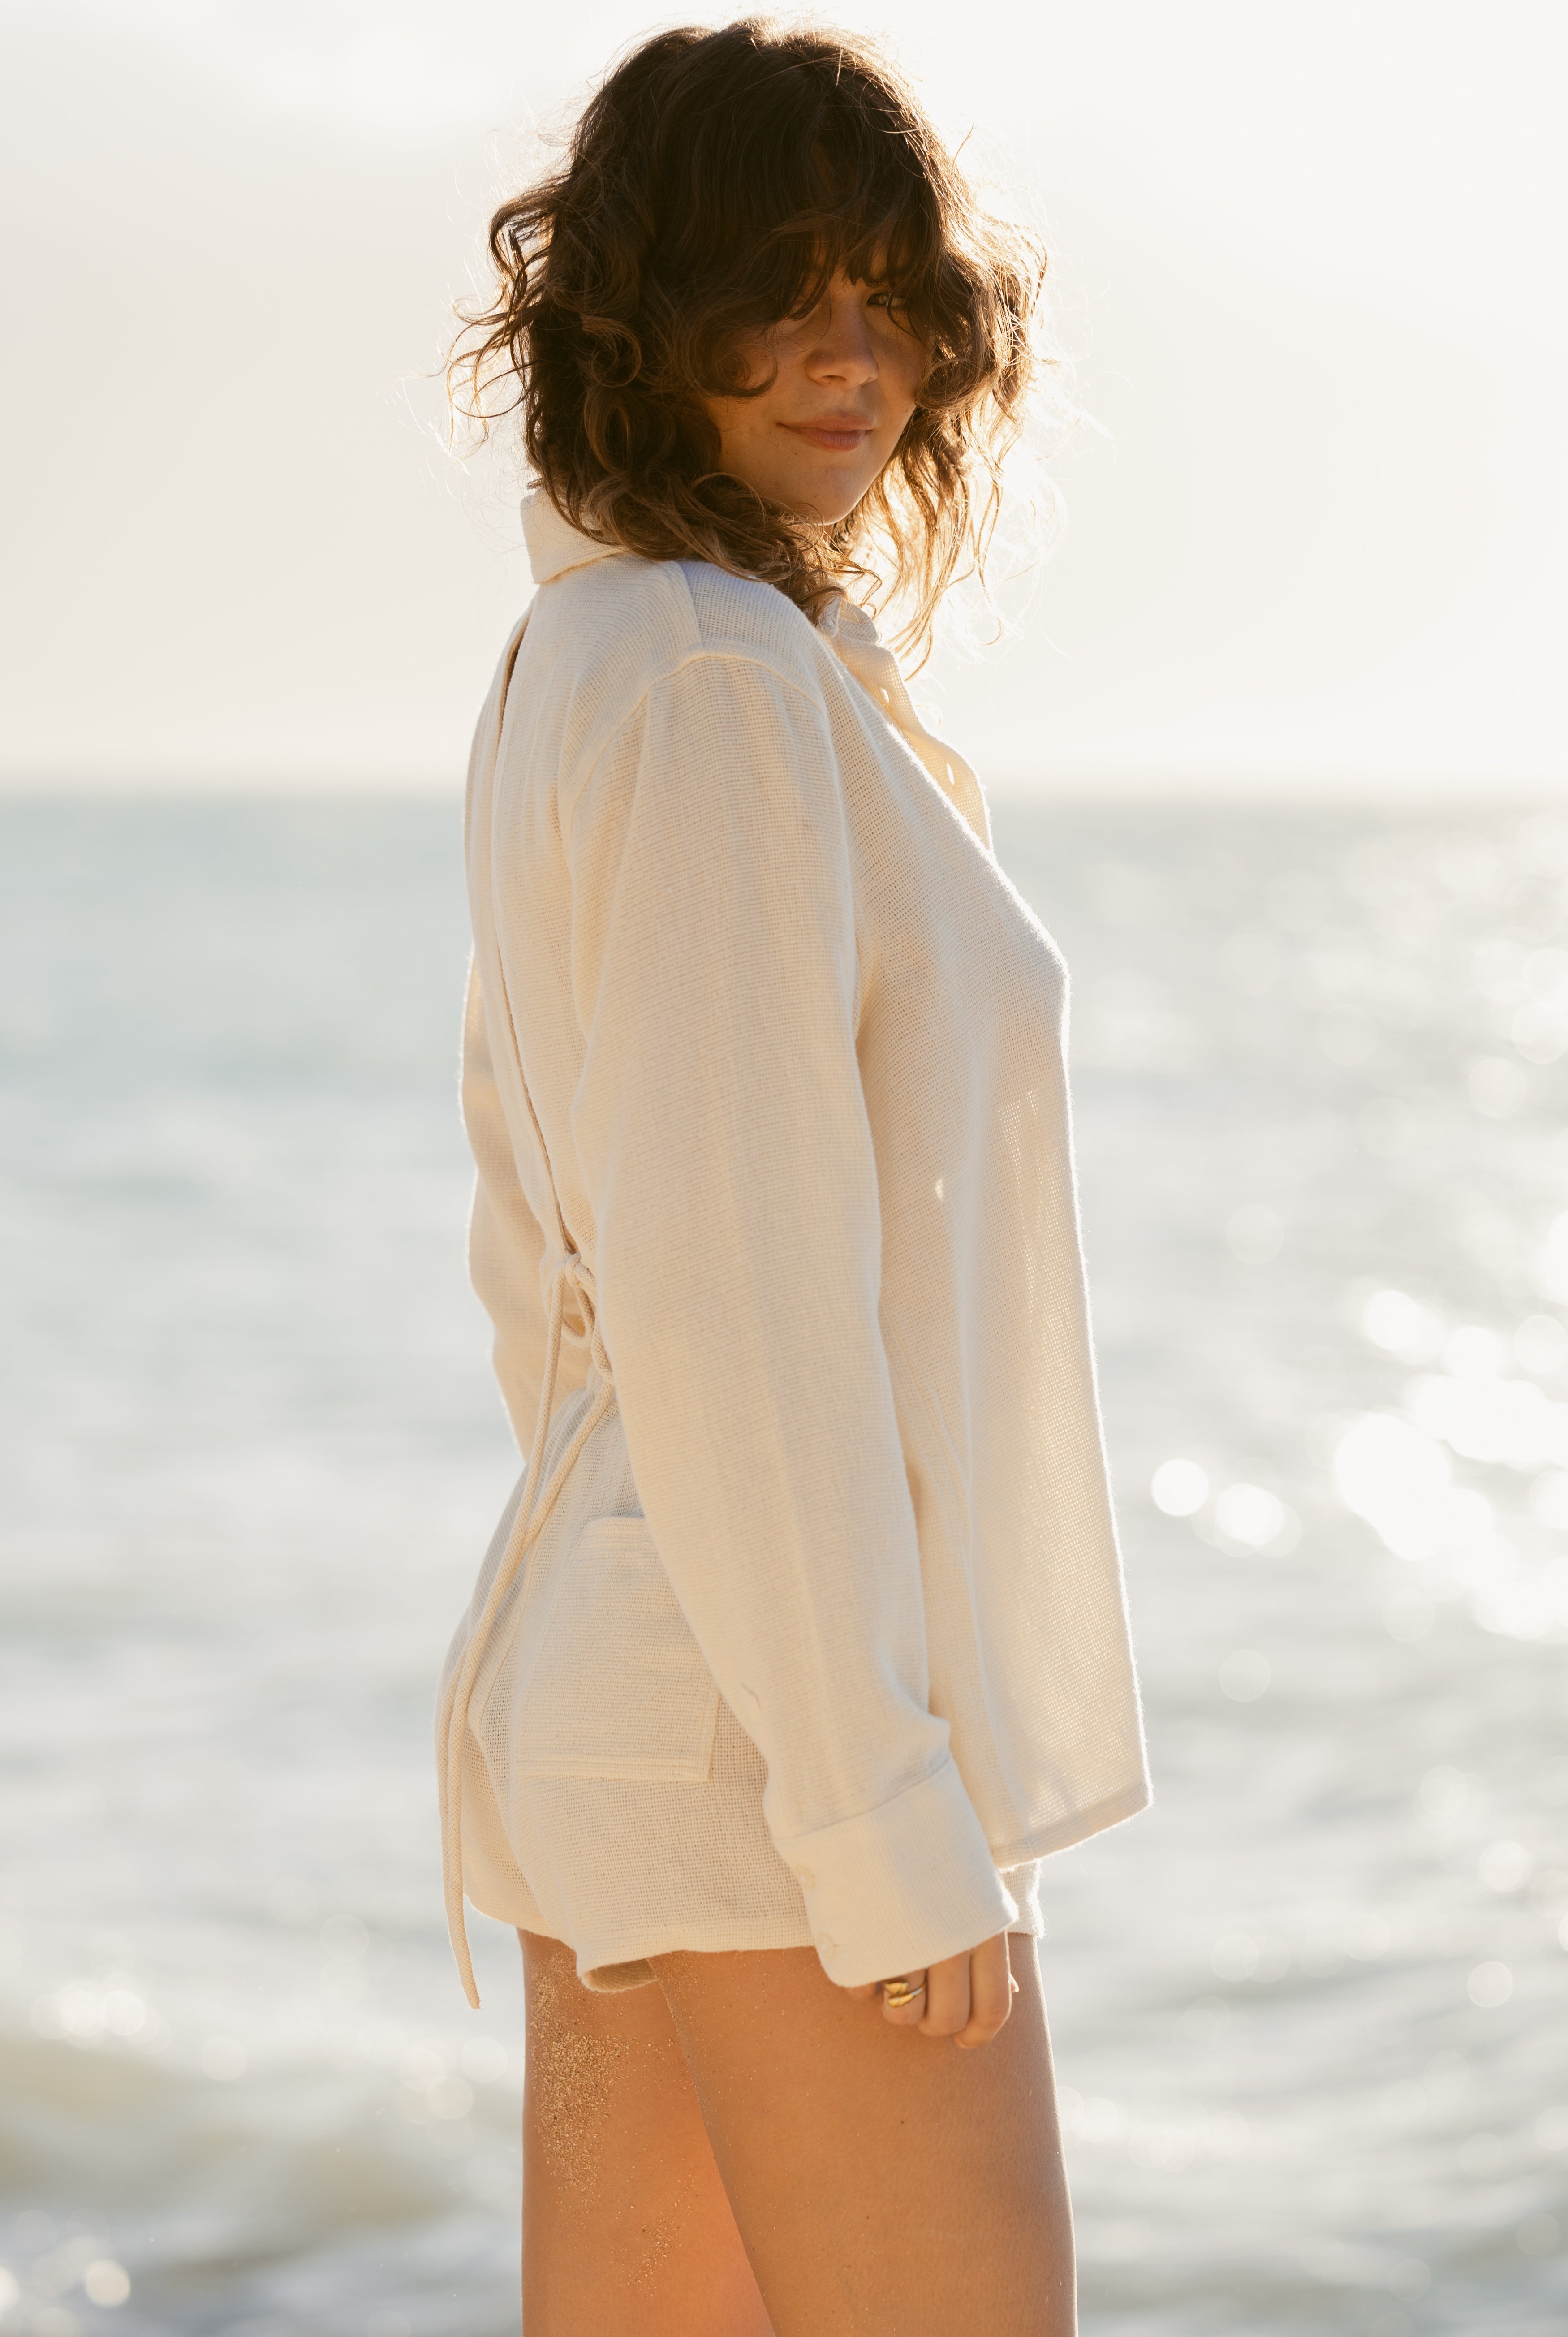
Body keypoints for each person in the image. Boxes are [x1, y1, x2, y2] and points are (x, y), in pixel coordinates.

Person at [436, 20, 1150, 2333]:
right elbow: (732, 1276)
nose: (856, 359)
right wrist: (873, 1803)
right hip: (749, 1732)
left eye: (893, 296)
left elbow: (546, 1253)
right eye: (781, 291)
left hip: (636, 1675)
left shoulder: (607, 648)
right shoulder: (715, 678)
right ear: (635, 319)